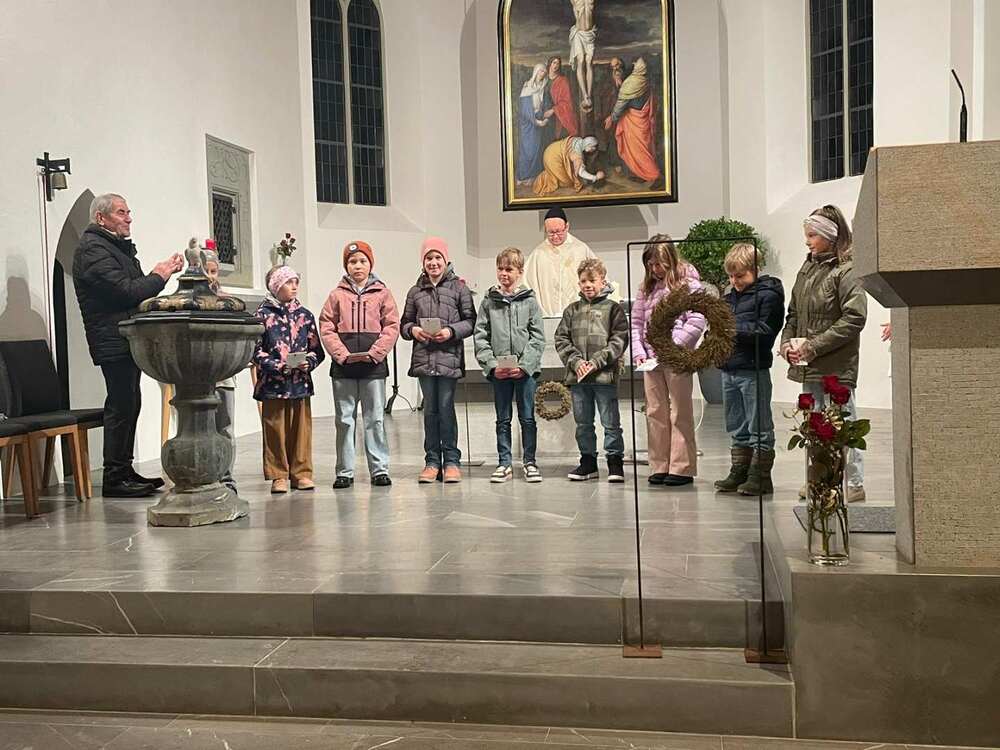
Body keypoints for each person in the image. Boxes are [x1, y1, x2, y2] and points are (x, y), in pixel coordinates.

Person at [72, 193, 184, 498]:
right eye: (121, 212)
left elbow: (135, 290)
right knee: (121, 405)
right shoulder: (93, 249)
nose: (129, 218)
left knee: (130, 402)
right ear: (101, 218)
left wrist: (160, 275)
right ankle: (115, 477)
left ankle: (124, 470)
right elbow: (126, 291)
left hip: (125, 336)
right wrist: (159, 275)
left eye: (128, 212)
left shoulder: (113, 248)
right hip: (113, 337)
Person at [780, 205, 868, 503]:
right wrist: (787, 344)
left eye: (812, 235)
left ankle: (853, 483)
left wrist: (813, 346)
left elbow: (854, 318)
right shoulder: (807, 269)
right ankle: (819, 479)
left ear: (830, 236)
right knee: (814, 424)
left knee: (843, 424)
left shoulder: (847, 270)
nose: (807, 241)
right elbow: (793, 314)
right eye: (807, 235)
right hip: (810, 364)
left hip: (836, 364)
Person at [319, 241, 400, 489]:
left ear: (370, 264)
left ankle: (380, 469)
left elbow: (391, 326)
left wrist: (376, 353)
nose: (357, 266)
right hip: (343, 367)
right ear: (346, 266)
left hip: (373, 367)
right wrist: (341, 354)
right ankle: (344, 471)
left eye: (362, 261)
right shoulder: (336, 295)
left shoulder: (382, 294)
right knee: (345, 419)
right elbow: (326, 326)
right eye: (352, 262)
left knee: (374, 419)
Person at [630, 234, 705, 487]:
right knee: (655, 411)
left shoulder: (689, 284)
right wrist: (639, 351)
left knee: (680, 411)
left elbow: (696, 321)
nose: (655, 269)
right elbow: (636, 323)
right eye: (650, 264)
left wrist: (672, 347)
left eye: (659, 264)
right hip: (651, 360)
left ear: (671, 260)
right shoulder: (646, 288)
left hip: (676, 357)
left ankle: (682, 467)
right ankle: (659, 464)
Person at [400, 237, 476, 484]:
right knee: (430, 412)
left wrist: (450, 332)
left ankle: (451, 461)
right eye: (429, 258)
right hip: (424, 358)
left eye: (437, 258)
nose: (433, 262)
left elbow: (470, 321)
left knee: (445, 409)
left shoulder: (459, 288)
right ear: (423, 262)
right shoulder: (415, 291)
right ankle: (432, 461)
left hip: (448, 358)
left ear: (446, 260)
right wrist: (413, 330)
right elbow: (404, 324)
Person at [714, 243, 786, 496]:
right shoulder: (728, 298)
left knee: (758, 424)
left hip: (753, 369)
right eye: (731, 276)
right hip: (729, 368)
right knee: (736, 424)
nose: (734, 281)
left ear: (755, 269)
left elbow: (766, 332)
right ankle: (740, 470)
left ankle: (760, 476)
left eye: (740, 276)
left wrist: (731, 330)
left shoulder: (769, 295)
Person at [473, 247, 546, 483]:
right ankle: (504, 463)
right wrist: (492, 365)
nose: (504, 273)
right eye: (500, 269)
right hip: (500, 373)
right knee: (503, 419)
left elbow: (538, 337)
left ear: (520, 271)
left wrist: (524, 366)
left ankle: (530, 462)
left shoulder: (530, 301)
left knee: (527, 418)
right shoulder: (488, 302)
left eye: (509, 269)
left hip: (525, 372)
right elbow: (480, 336)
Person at [554, 257, 628, 483]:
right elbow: (561, 339)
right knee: (583, 423)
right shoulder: (571, 310)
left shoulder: (613, 309)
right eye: (583, 281)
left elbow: (619, 339)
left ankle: (615, 463)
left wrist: (596, 361)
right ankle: (588, 463)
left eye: (592, 280)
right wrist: (576, 362)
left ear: (602, 281)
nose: (587, 285)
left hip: (604, 377)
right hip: (579, 379)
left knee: (610, 422)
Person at [253, 265, 325, 494]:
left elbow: (317, 350)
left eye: (296, 282)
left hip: (299, 383)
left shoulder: (305, 315)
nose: (294, 287)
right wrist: (277, 365)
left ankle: (302, 473)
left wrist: (309, 362)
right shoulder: (261, 316)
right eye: (288, 282)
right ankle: (279, 475)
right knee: (275, 430)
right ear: (276, 286)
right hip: (273, 385)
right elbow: (254, 351)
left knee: (301, 431)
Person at [201, 240, 238, 493]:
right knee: (199, 429)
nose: (210, 277)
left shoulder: (227, 302)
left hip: (224, 375)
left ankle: (226, 477)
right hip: (197, 376)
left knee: (224, 428)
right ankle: (203, 476)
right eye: (206, 271)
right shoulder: (187, 302)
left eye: (214, 271)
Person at [523, 207, 598, 317]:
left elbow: (598, 277)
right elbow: (526, 285)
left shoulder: (581, 249)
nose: (555, 236)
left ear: (567, 227)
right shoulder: (538, 254)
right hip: (548, 316)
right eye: (550, 232)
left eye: (558, 231)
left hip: (579, 316)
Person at [603, 57, 661, 183]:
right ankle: (638, 172)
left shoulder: (631, 82)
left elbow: (621, 104)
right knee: (640, 149)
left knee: (638, 150)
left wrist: (612, 118)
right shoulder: (644, 79)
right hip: (641, 119)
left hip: (634, 120)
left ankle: (653, 174)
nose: (616, 69)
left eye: (618, 65)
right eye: (613, 67)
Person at [532, 135, 605, 198]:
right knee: (567, 182)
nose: (592, 150)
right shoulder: (577, 154)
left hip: (550, 150)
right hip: (552, 158)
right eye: (592, 147)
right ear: (588, 145)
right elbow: (581, 172)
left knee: (567, 175)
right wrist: (595, 177)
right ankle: (542, 181)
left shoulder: (578, 141)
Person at [516, 64, 554, 185]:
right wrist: (537, 122)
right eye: (541, 71)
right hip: (528, 123)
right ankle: (523, 176)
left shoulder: (543, 87)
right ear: (536, 72)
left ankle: (532, 176)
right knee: (528, 150)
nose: (543, 74)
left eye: (544, 72)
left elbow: (546, 105)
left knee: (537, 150)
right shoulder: (527, 87)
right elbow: (525, 109)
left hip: (539, 120)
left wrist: (545, 118)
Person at [569, 0, 597, 110]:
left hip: (590, 34)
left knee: (589, 62)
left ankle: (588, 95)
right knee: (580, 60)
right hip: (579, 33)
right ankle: (585, 94)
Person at [546, 56, 579, 139]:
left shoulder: (562, 81)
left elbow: (566, 102)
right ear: (550, 64)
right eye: (554, 63)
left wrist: (553, 110)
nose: (556, 65)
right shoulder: (544, 79)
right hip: (543, 115)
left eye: (558, 63)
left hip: (557, 117)